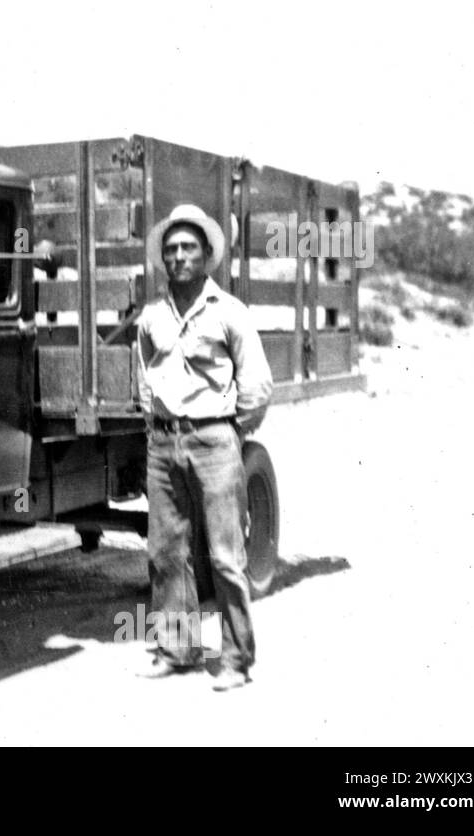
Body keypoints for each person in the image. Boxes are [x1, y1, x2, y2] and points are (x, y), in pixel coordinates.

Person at [134, 204, 273, 691]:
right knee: (167, 551)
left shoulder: (230, 312)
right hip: (164, 442)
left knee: (224, 554)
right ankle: (179, 649)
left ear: (207, 255)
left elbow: (257, 384)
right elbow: (146, 377)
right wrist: (158, 424)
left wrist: (229, 431)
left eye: (188, 247)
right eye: (170, 249)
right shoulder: (151, 316)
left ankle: (235, 658)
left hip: (215, 439)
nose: (178, 257)